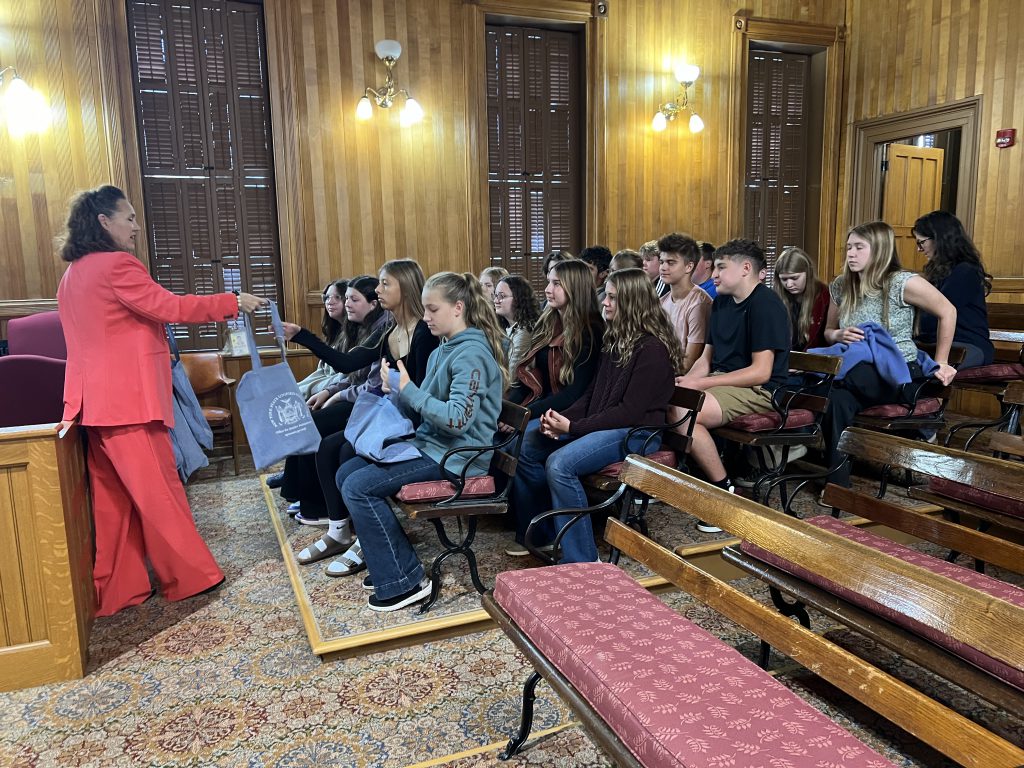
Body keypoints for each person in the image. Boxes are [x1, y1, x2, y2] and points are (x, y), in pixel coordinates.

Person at [54, 184, 267, 616]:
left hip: (92, 404)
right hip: (128, 402)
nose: (135, 227)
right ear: (104, 222)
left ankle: (119, 589)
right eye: (128, 218)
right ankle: (190, 576)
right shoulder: (116, 265)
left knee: (114, 502)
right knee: (159, 492)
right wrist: (231, 301)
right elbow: (169, 307)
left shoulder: (73, 274)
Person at [339, 272, 506, 611]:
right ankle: (391, 562)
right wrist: (397, 389)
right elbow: (425, 405)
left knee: (358, 486)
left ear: (458, 308)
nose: (426, 317)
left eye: (433, 310)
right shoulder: (444, 350)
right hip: (433, 446)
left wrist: (408, 389)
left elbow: (457, 420)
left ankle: (404, 581)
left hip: (457, 458)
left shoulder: (470, 355)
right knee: (347, 472)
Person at [512, 268, 684, 563]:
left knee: (560, 464)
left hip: (638, 435)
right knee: (528, 443)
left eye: (614, 299)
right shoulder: (617, 339)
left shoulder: (651, 349)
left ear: (633, 303)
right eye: (607, 296)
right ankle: (548, 533)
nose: (605, 302)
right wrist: (557, 421)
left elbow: (628, 412)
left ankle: (582, 560)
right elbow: (592, 396)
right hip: (611, 426)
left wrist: (573, 427)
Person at [283, 260, 439, 572]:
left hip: (412, 424)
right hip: (391, 414)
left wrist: (391, 386)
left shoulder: (424, 333)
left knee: (342, 448)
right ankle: (339, 531)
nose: (378, 290)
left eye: (385, 284)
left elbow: (421, 393)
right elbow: (345, 362)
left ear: (405, 288)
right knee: (329, 447)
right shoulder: (391, 331)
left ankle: (363, 538)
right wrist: (303, 336)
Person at [818, 221, 957, 486]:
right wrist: (838, 335)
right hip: (857, 372)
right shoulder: (841, 285)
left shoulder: (901, 282)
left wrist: (941, 360)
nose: (850, 254)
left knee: (839, 378)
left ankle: (813, 383)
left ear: (880, 250)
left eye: (859, 247)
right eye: (848, 247)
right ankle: (837, 485)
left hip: (898, 371)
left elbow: (948, 311)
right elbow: (829, 331)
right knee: (837, 400)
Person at [676, 239, 791, 532]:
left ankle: (723, 490)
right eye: (714, 266)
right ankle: (677, 481)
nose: (713, 273)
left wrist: (703, 382)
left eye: (721, 267)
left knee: (683, 411)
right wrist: (690, 379)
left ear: (746, 268)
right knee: (668, 397)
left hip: (760, 392)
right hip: (725, 384)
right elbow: (706, 357)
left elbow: (761, 372)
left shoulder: (765, 305)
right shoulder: (722, 303)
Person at [505, 259, 604, 554]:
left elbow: (574, 394)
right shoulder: (551, 322)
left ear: (574, 287)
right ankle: (526, 523)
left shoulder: (590, 330)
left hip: (575, 415)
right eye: (548, 281)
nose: (548, 289)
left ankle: (543, 531)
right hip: (549, 409)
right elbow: (534, 381)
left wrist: (524, 416)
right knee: (505, 440)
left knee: (524, 448)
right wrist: (510, 411)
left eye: (556, 283)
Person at [276, 276, 388, 522]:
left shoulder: (384, 330)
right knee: (310, 419)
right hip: (358, 398)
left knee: (318, 430)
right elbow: (349, 373)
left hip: (373, 405)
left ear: (373, 304)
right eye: (345, 298)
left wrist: (336, 394)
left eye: (353, 299)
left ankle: (320, 508)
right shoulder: (361, 328)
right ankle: (304, 495)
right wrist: (330, 392)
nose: (347, 304)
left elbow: (369, 385)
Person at [912, 210, 993, 368]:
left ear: (939, 239)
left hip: (968, 345)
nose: (919, 250)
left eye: (921, 242)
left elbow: (933, 318)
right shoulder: (939, 272)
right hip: (939, 343)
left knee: (912, 370)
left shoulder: (965, 271)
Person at [657, 232, 712, 373]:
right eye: (661, 262)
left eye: (671, 263)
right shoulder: (661, 301)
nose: (663, 267)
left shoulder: (699, 302)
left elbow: (689, 362)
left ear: (688, 267)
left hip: (684, 376)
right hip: (663, 368)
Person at [772, 246, 830, 351]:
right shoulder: (774, 298)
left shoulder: (825, 297)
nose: (789, 284)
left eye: (794, 278)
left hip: (816, 359)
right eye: (784, 279)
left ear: (808, 273)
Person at [493, 274, 540, 377]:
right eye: (496, 295)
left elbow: (513, 376)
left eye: (502, 296)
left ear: (518, 299)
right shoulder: (509, 327)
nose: (496, 300)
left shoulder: (524, 331)